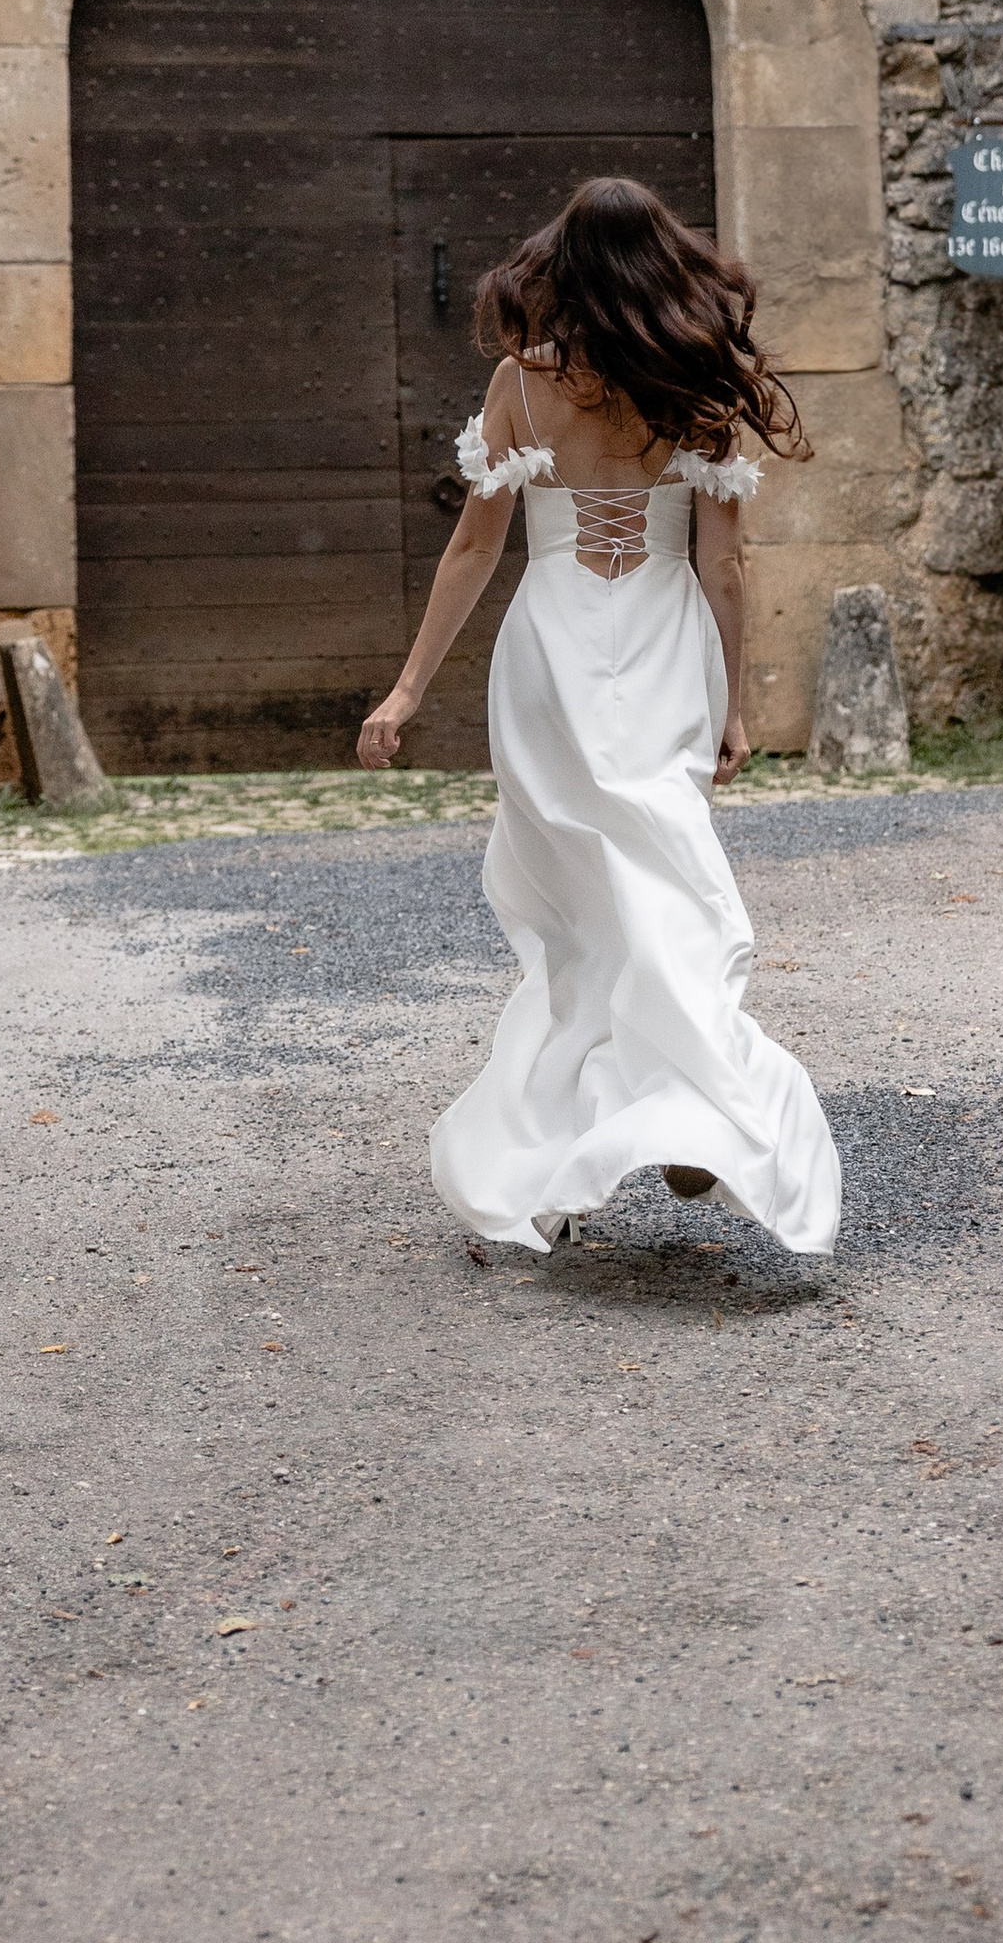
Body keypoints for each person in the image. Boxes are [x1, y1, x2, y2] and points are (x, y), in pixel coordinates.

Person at [358, 173, 842, 1258]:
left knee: (580, 905)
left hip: (554, 645)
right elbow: (722, 567)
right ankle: (680, 1104)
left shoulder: (520, 388)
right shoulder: (701, 385)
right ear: (668, 263)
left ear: (562, 267)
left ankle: (579, 1145)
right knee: (667, 869)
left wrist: (406, 689)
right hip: (665, 641)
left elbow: (477, 546)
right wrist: (734, 702)